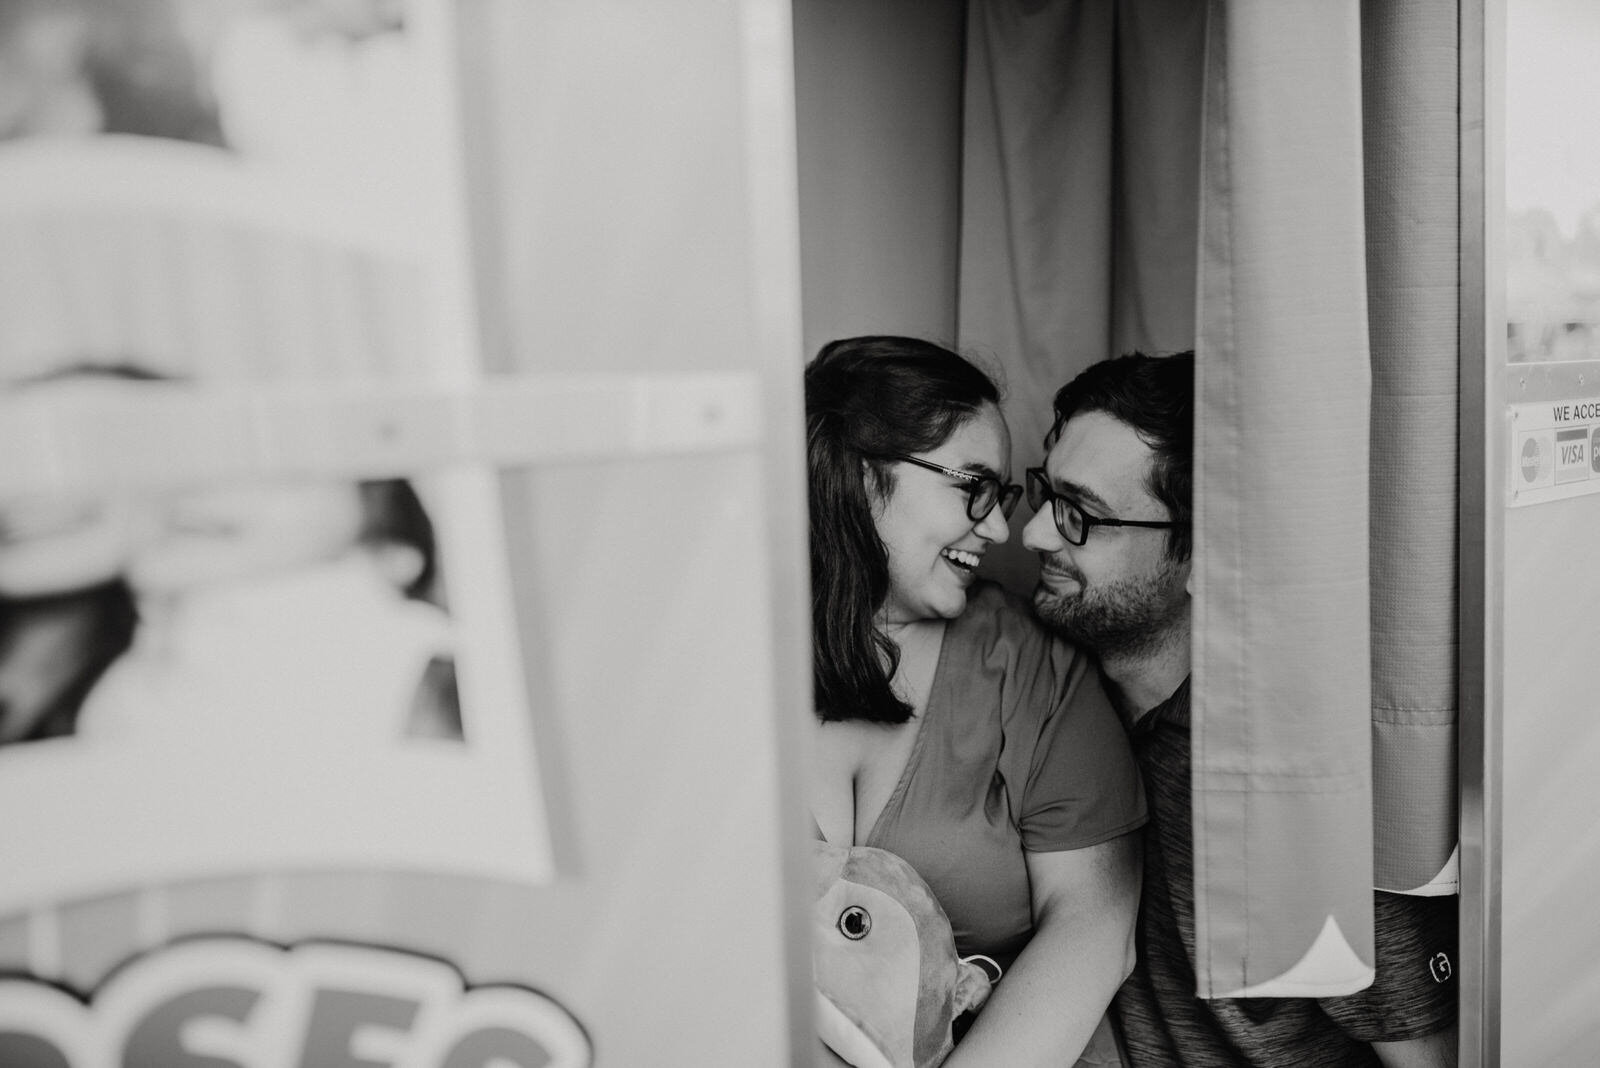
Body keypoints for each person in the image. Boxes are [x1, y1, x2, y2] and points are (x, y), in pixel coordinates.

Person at [1021, 350, 1458, 1067]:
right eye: (1045, 494)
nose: (1034, 533)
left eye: (1081, 515)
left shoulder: (1288, 782)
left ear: (1207, 558)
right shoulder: (1052, 691)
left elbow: (1430, 1057)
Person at [805, 335, 1147, 1065]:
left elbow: (1095, 925)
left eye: (1003, 495)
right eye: (973, 487)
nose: (1000, 529)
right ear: (863, 478)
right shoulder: (725, 662)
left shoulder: (1033, 668)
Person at [76, 472, 462, 745]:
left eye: (289, 474)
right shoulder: (118, 693)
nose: (205, 493)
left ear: (390, 552)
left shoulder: (426, 669)